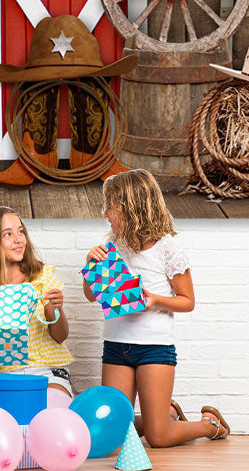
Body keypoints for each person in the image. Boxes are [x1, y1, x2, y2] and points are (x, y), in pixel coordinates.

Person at [84, 169, 230, 447]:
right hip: (116, 346)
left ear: (130, 208)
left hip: (154, 348)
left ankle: (210, 426)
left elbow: (187, 301)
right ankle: (167, 415)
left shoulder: (167, 249)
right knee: (113, 430)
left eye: (111, 207)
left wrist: (154, 299)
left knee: (157, 437)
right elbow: (92, 296)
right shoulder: (113, 245)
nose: (105, 213)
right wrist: (91, 263)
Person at [0, 206, 73, 397]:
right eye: (8, 234)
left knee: (52, 408)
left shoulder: (42, 276)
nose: (18, 239)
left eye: (20, 231)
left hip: (48, 371)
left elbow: (60, 336)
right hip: (6, 373)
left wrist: (56, 308)